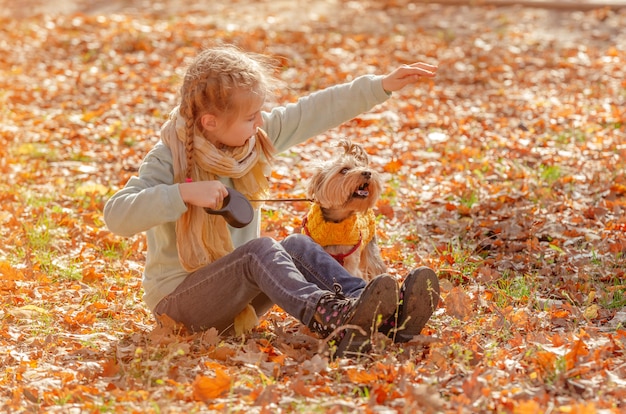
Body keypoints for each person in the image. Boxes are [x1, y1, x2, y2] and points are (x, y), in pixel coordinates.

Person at [104, 45, 439, 357]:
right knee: (259, 251)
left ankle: (380, 313)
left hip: (234, 298)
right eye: (251, 117)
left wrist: (381, 85)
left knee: (296, 244)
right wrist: (182, 193)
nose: (260, 122)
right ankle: (330, 317)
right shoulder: (167, 159)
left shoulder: (253, 140)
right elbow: (116, 215)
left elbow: (314, 110)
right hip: (179, 305)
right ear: (210, 122)